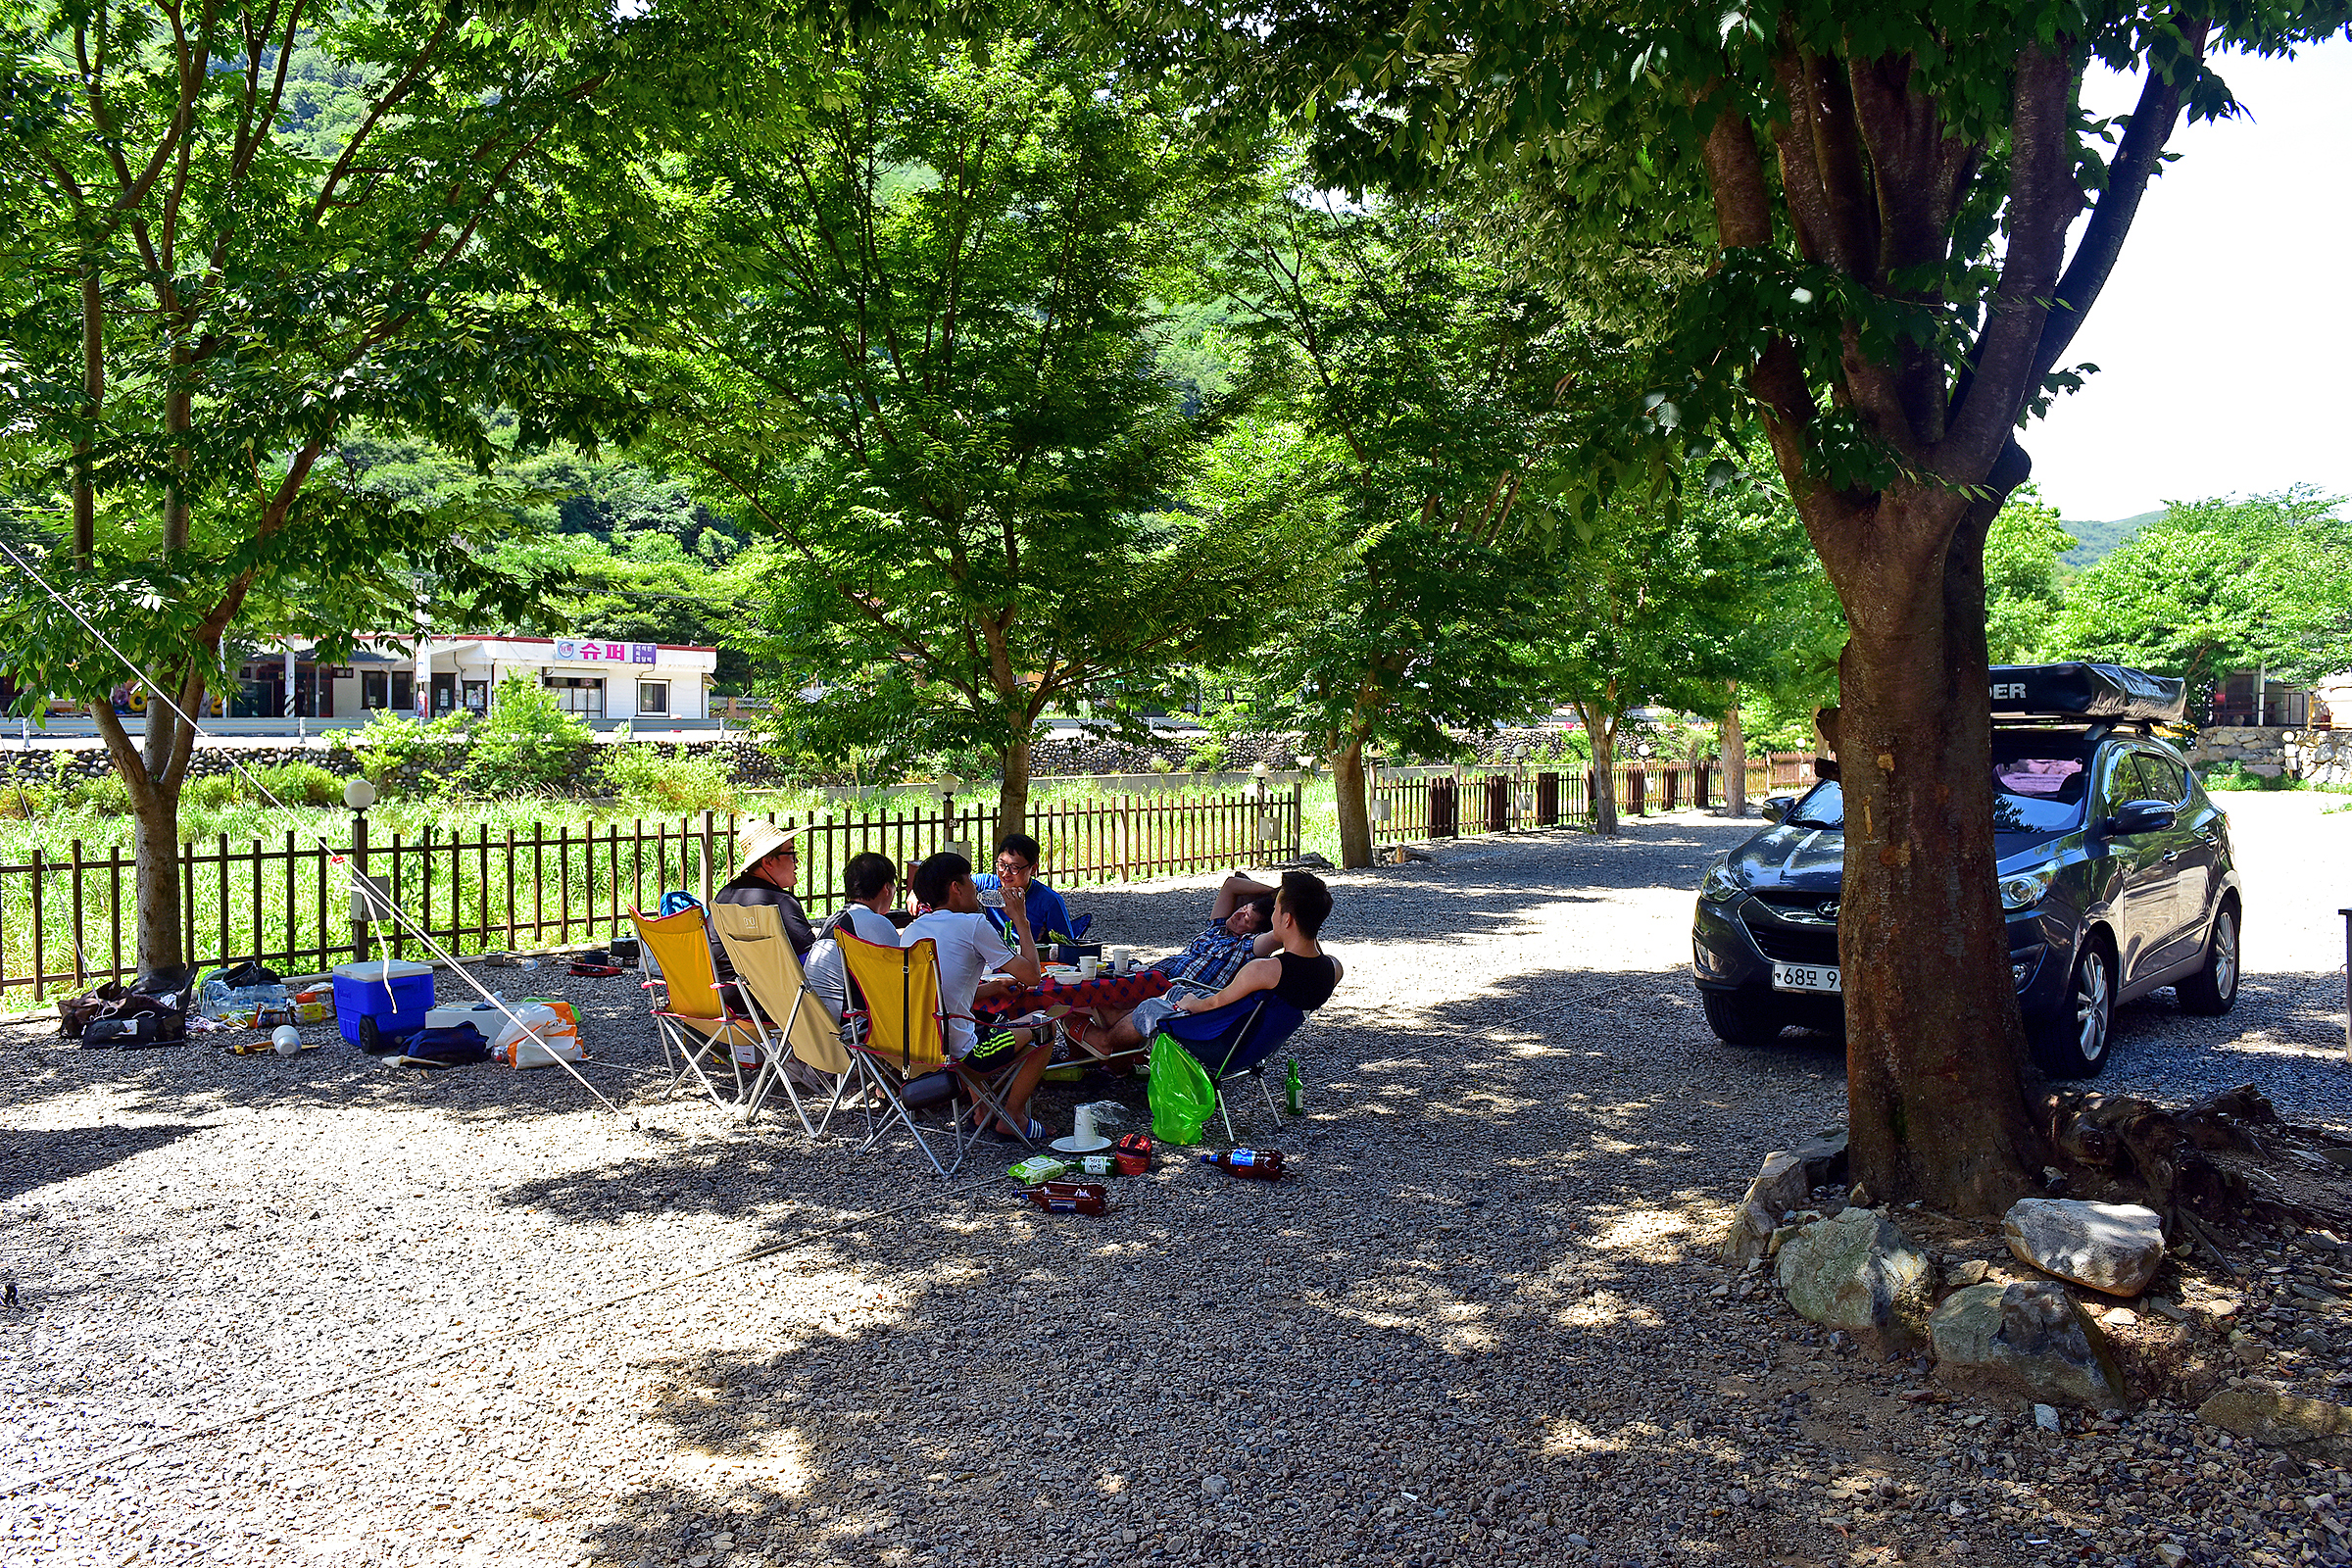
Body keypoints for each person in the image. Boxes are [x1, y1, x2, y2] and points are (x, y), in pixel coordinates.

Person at [899, 852, 1054, 1141]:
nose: (976, 889)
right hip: (960, 1054)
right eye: (970, 881)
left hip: (916, 1044)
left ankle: (982, 1111)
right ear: (956, 888)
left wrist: (990, 989)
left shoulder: (912, 931)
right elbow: (1032, 976)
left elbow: (935, 997)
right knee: (1044, 1025)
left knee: (982, 1018)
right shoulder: (973, 926)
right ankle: (1014, 1116)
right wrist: (1021, 920)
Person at [1073, 871, 1286, 1054]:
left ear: (1256, 931)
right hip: (1152, 976)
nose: (1238, 914)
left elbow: (1279, 934)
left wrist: (1283, 903)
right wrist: (1274, 892)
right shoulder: (1219, 927)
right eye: (1243, 908)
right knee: (1089, 982)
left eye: (1246, 920)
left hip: (1178, 990)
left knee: (1100, 1002)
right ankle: (1113, 1038)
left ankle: (1108, 1038)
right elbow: (1231, 884)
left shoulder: (1248, 946)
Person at [709, 820, 815, 983]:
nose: (797, 862)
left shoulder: (725, 895)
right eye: (791, 854)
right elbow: (812, 961)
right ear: (768, 861)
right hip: (767, 1001)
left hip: (723, 995)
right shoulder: (781, 903)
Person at [804, 853, 900, 1023]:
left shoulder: (834, 920)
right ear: (886, 888)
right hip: (850, 1030)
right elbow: (900, 980)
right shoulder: (876, 923)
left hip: (814, 1027)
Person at [973, 833, 1077, 943]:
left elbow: (1065, 945)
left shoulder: (1049, 901)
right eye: (1001, 865)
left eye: (1014, 867)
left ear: (1033, 869)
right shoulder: (986, 884)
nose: (1005, 873)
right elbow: (956, 883)